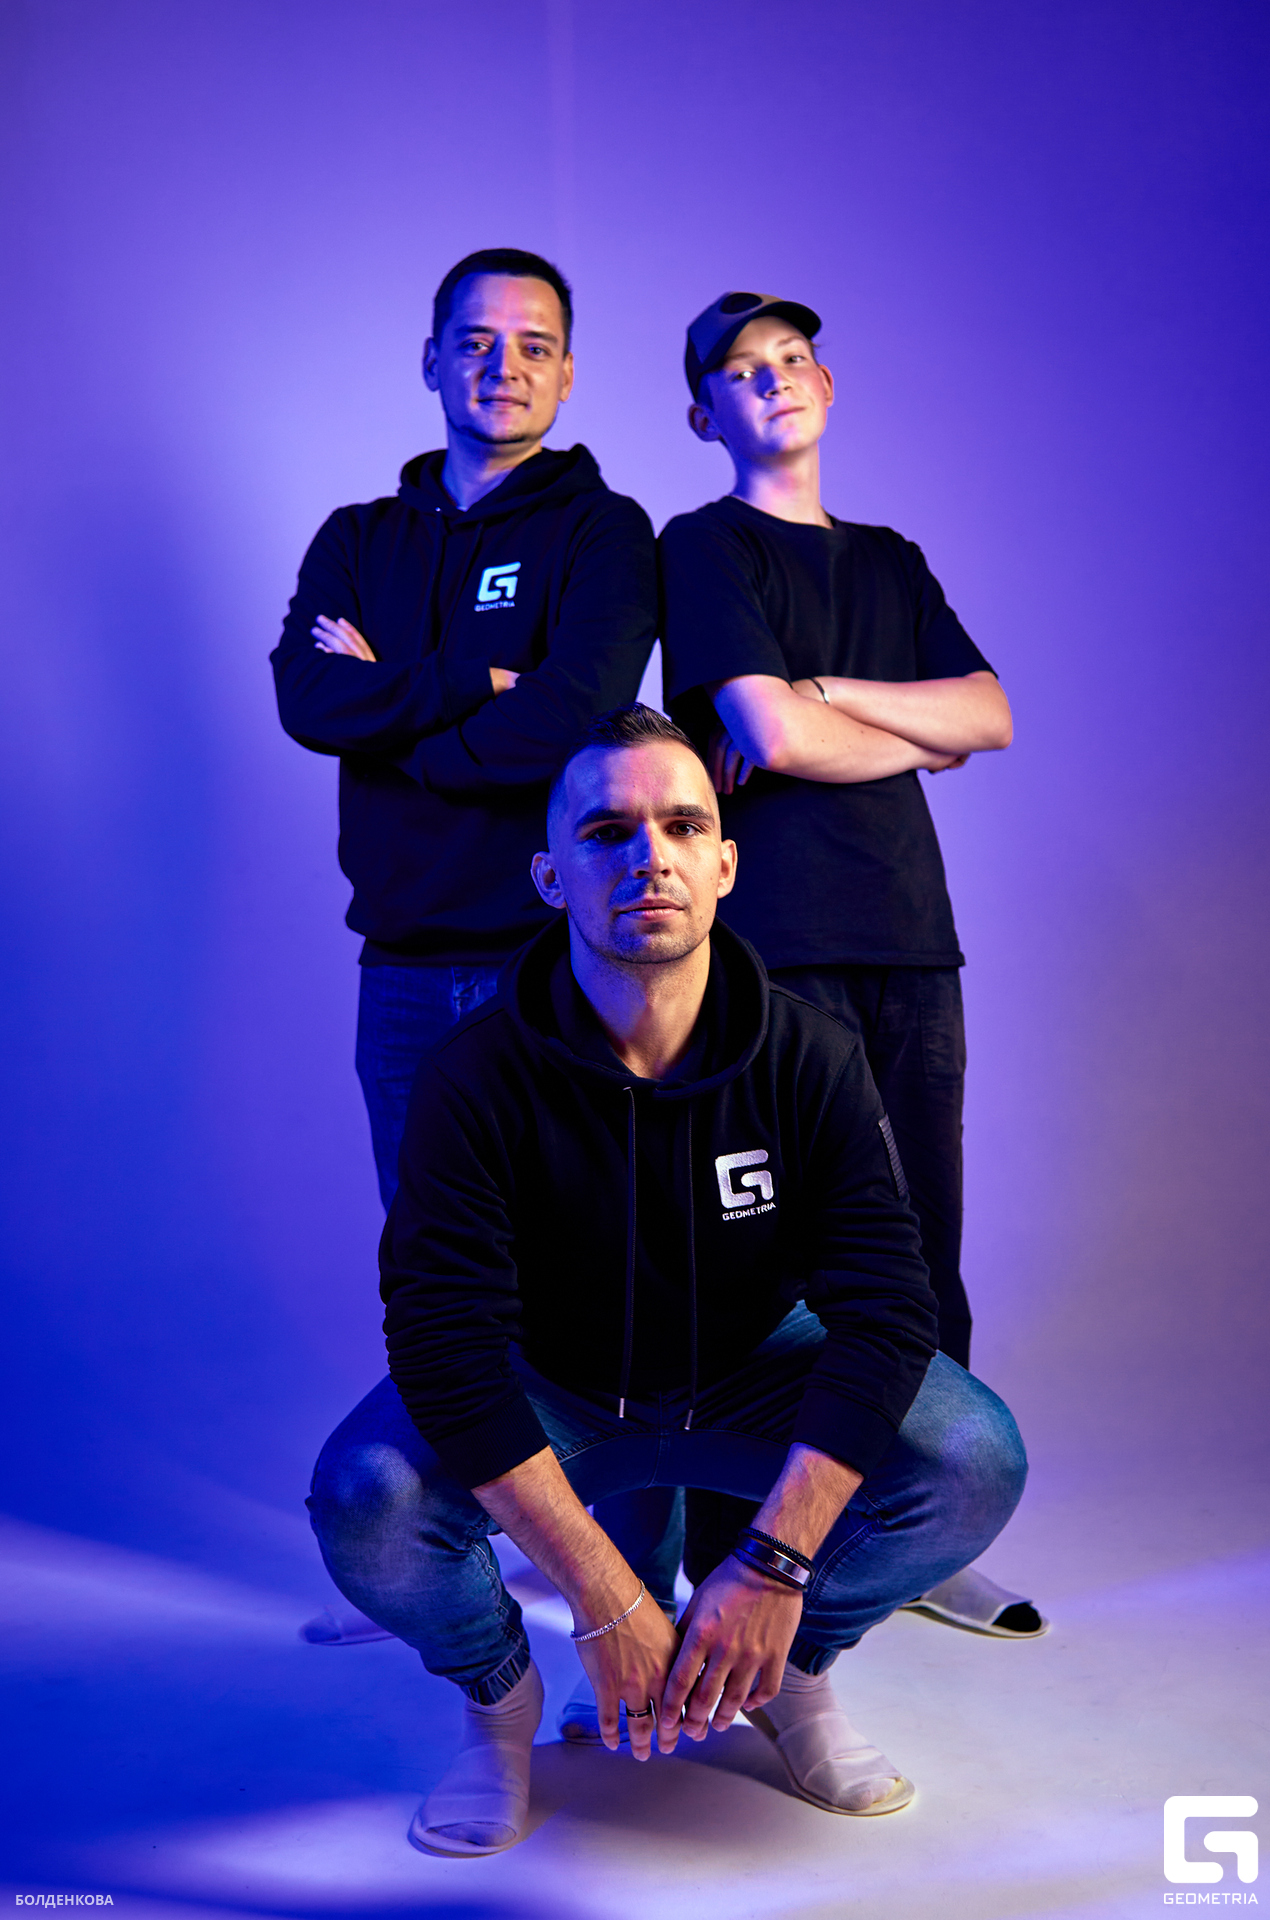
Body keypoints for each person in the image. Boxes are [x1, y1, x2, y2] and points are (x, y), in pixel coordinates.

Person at [306, 704, 1028, 1857]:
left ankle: (784, 1673)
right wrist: (607, 1602)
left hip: (749, 1371)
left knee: (972, 1456)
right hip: (559, 1387)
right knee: (365, 1498)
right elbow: (443, 1341)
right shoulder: (473, 1076)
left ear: (724, 864)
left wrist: (772, 1569)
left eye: (683, 825)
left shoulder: (809, 1055)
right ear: (550, 875)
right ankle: (500, 1707)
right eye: (608, 831)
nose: (649, 855)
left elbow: (890, 1307)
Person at [609, 290, 1039, 1657]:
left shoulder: (890, 560)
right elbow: (767, 736)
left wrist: (830, 694)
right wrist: (885, 725)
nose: (772, 381)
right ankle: (752, 1546)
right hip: (778, 946)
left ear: (827, 385)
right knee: (773, 1251)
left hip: (911, 939)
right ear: (704, 413)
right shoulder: (703, 545)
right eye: (741, 371)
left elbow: (991, 715)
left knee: (922, 1242)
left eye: (790, 359)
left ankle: (923, 1524)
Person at [271, 247, 656, 1216]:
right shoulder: (357, 539)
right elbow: (308, 701)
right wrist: (470, 680)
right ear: (431, 359)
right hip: (398, 968)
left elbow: (568, 719)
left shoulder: (603, 531)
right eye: (475, 342)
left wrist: (390, 721)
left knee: (574, 1250)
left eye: (534, 346)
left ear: (566, 373)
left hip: (551, 957)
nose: (503, 367)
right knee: (430, 1261)